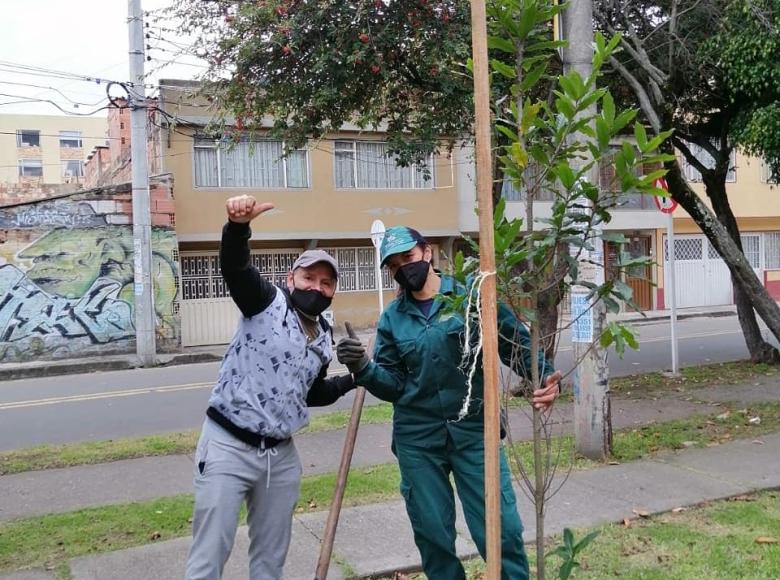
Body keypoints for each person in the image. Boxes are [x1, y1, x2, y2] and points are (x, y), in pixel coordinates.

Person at [336, 226, 562, 580]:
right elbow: (393, 385)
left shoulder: (472, 297)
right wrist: (363, 368)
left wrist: (544, 376)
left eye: (407, 258)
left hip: (475, 431)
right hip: (418, 440)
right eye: (394, 266)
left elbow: (514, 343)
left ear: (427, 253)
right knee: (433, 534)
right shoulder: (392, 320)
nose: (402, 269)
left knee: (501, 530)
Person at [185, 194, 357, 580]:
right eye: (309, 278)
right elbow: (235, 267)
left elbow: (311, 394)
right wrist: (237, 228)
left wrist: (353, 378)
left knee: (270, 560)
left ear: (333, 291)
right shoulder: (265, 302)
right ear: (290, 279)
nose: (317, 286)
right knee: (209, 557)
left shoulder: (323, 336)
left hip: (280, 459)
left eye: (326, 282)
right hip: (228, 446)